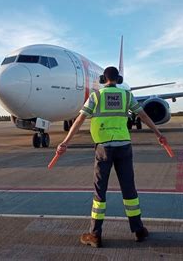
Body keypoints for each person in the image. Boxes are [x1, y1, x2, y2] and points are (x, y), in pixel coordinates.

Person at [56, 66, 168, 248]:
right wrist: (158, 133)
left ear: (102, 79)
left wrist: (66, 142)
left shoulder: (96, 96)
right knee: (129, 190)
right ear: (119, 79)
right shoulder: (127, 96)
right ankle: (138, 230)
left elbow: (79, 120)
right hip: (124, 147)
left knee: (100, 192)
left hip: (103, 149)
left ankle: (95, 234)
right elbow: (143, 115)